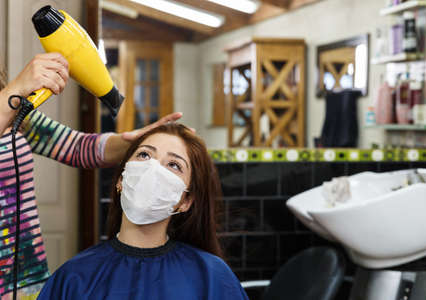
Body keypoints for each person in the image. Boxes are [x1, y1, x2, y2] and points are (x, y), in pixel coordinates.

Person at [0, 53, 182, 299]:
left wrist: (141, 141)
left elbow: (77, 147)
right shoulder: (9, 100)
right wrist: (14, 92)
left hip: (27, 281)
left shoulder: (15, 108)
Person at [37, 123, 249, 300]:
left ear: (185, 200)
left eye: (174, 165)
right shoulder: (74, 277)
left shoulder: (211, 276)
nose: (153, 169)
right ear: (121, 179)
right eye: (145, 154)